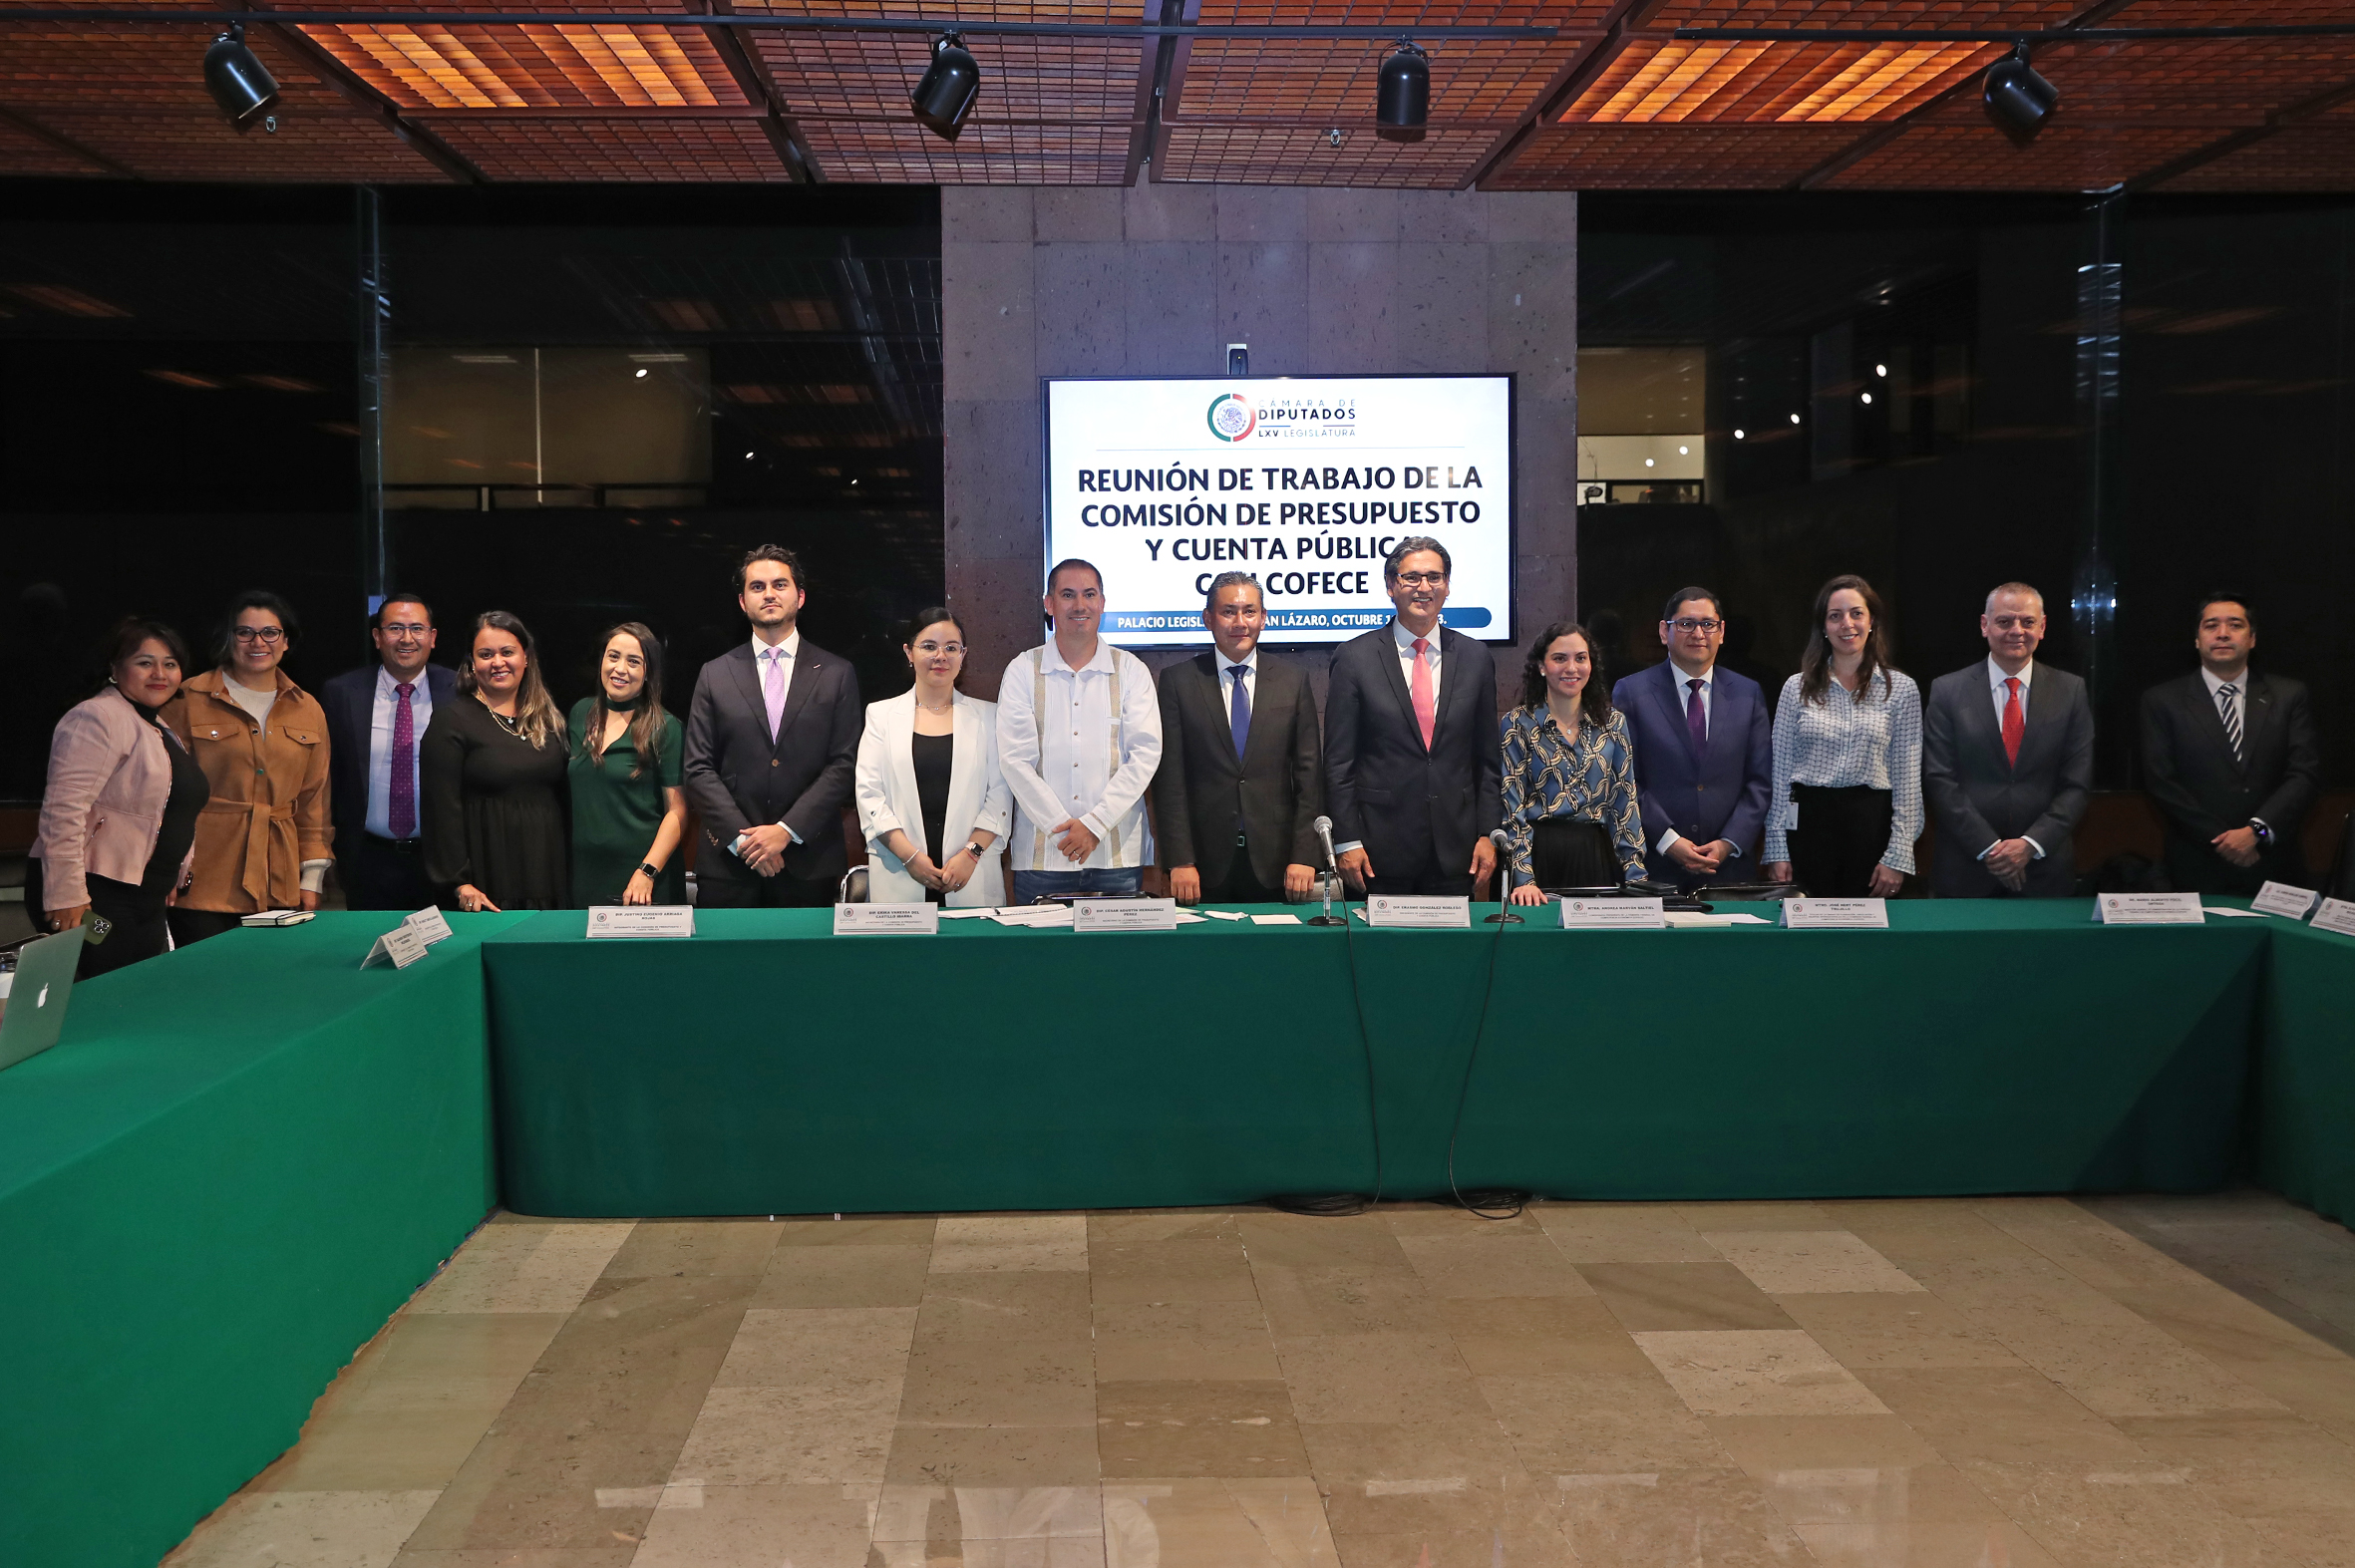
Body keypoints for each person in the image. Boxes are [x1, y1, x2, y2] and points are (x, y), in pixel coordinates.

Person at [682, 545, 862, 908]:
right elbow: (698, 767)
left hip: (808, 861)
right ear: (742, 602)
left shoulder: (837, 673)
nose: (769, 594)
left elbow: (845, 764)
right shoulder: (714, 674)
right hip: (729, 863)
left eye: (780, 584)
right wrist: (745, 842)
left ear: (800, 596)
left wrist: (785, 831)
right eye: (757, 586)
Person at [32, 620, 208, 979]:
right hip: (93, 898)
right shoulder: (96, 717)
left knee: (135, 996)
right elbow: (62, 811)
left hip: (144, 899)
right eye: (145, 663)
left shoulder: (159, 727)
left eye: (170, 664)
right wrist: (66, 896)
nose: (159, 673)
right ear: (115, 668)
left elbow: (170, 812)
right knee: (98, 997)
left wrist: (172, 873)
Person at [1326, 537, 1500, 897]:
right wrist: (1347, 841)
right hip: (1377, 852)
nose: (1424, 587)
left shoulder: (1475, 657)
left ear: (1447, 586)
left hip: (1457, 851)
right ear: (1391, 586)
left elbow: (1487, 761)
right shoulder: (1355, 658)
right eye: (1412, 578)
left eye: (1434, 577)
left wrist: (1487, 832)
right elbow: (1339, 763)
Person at [160, 590, 334, 946]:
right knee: (206, 975)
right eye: (245, 632)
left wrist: (312, 877)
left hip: (279, 881)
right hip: (202, 880)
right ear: (229, 638)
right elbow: (161, 794)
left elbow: (314, 800)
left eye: (270, 632)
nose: (258, 642)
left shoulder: (308, 708)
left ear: (286, 641)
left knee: (268, 977)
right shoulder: (187, 699)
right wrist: (162, 869)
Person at [997, 559, 1164, 903]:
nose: (1080, 605)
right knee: (1040, 942)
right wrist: (1063, 829)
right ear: (1049, 603)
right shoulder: (1022, 670)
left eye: (1089, 594)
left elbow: (1144, 755)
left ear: (1102, 603)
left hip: (1116, 856)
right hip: (1042, 857)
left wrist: (1094, 825)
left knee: (1118, 942)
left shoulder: (1131, 671)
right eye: (1068, 595)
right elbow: (1015, 759)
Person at [1153, 572, 1323, 905]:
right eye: (1228, 612)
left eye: (1249, 612)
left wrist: (1305, 855)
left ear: (1263, 618)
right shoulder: (1178, 682)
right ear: (1208, 619)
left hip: (1279, 863)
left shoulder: (1293, 680)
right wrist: (1180, 860)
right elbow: (1170, 779)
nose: (1240, 622)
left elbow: (1309, 777)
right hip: (1202, 865)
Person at [2139, 593, 2320, 894]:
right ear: (2197, 639)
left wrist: (2256, 832)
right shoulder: (2162, 701)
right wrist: (2225, 841)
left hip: (2274, 864)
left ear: (2252, 638)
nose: (2222, 633)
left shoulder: (2289, 696)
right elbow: (2161, 782)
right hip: (2197, 864)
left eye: (2235, 625)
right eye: (2211, 625)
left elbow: (2304, 774)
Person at [1921, 582, 2094, 897]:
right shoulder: (1947, 690)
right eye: (2004, 621)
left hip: (2044, 868)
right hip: (1966, 868)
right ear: (1984, 625)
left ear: (2042, 627)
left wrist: (2029, 845)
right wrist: (1990, 848)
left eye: (2027, 622)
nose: (2017, 630)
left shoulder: (2071, 691)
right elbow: (1938, 778)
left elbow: (2077, 784)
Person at [1763, 574, 1923, 898]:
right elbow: (1779, 774)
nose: (1846, 624)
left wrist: (1898, 854)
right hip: (1807, 827)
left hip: (1872, 828)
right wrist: (1777, 847)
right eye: (1835, 616)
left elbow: (1907, 781)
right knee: (1807, 927)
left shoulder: (1901, 690)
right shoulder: (1796, 687)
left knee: (1869, 929)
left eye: (1856, 613)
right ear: (1823, 627)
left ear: (1872, 621)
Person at [1611, 586, 1773, 887]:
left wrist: (1729, 842)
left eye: (1708, 624)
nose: (1698, 633)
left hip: (1729, 870)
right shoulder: (1632, 692)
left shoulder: (1747, 693)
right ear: (1665, 631)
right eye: (1686, 624)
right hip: (1655, 866)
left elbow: (1760, 781)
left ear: (1721, 632)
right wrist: (1668, 840)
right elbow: (1624, 779)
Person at [853, 608, 1009, 906]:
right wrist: (910, 857)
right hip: (900, 871)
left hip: (970, 874)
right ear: (908, 653)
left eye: (951, 648)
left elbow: (1000, 795)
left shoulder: (989, 717)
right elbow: (869, 795)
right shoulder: (880, 715)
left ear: (963, 655)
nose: (941, 656)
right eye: (929, 646)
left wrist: (970, 855)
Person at [422, 611, 569, 912]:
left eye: (507, 652)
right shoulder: (451, 722)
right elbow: (440, 812)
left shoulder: (549, 720)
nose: (498, 662)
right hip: (484, 882)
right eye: (486, 654)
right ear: (472, 664)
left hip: (546, 874)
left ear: (526, 658)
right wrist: (459, 883)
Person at [321, 593, 455, 912]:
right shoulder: (341, 693)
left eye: (417, 628)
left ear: (432, 637)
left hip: (440, 858)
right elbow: (328, 776)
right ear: (377, 637)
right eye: (395, 628)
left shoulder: (460, 689)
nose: (407, 639)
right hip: (366, 859)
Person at [1501, 620, 1645, 903]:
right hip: (1538, 857)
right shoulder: (1517, 723)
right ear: (1541, 666)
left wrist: (1636, 876)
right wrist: (1524, 878)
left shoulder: (1613, 723)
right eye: (1559, 658)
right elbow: (1511, 806)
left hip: (1595, 855)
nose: (1571, 668)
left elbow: (1624, 803)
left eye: (1580, 658)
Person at [568, 622, 687, 906]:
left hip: (644, 878)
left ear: (648, 672)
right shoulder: (580, 713)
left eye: (633, 661)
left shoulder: (666, 727)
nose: (620, 669)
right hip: (586, 873)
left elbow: (678, 811)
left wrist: (647, 871)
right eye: (613, 656)